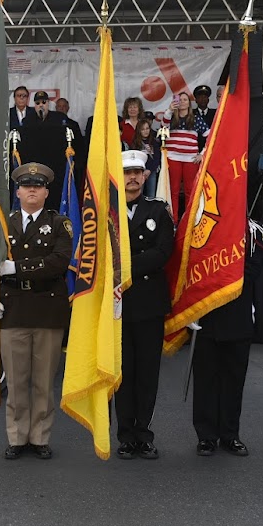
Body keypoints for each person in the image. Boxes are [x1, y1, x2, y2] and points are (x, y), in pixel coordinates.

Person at [0, 163, 72, 460]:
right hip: (13, 310)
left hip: (47, 310)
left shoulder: (60, 223)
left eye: (38, 186)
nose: (32, 190)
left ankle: (39, 436)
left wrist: (19, 268)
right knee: (15, 379)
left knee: (43, 379)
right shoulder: (4, 223)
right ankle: (17, 436)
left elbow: (59, 262)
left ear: (47, 192)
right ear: (18, 191)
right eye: (27, 186)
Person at [114, 150, 175, 459]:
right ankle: (125, 435)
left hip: (149, 303)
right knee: (123, 373)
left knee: (148, 372)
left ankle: (145, 434)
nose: (133, 177)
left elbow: (163, 252)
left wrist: (124, 266)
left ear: (146, 175)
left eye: (138, 172)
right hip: (117, 304)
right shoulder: (105, 212)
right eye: (127, 172)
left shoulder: (158, 211)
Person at [192, 234, 262, 457]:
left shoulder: (250, 232)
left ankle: (231, 435)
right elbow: (190, 263)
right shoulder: (202, 226)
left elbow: (255, 267)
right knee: (205, 380)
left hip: (237, 312)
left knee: (234, 379)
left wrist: (223, 271)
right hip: (207, 312)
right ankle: (206, 437)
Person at [164, 91, 210, 215]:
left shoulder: (196, 118)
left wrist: (203, 154)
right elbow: (163, 127)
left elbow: (211, 136)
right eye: (180, 99)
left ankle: (189, 221)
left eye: (185, 100)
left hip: (191, 159)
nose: (182, 102)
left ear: (189, 103)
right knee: (173, 191)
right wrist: (169, 110)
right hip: (173, 158)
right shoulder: (171, 117)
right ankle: (172, 220)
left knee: (190, 191)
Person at [130, 118, 160, 197]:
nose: (145, 131)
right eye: (143, 129)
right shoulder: (135, 143)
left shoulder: (154, 142)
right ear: (138, 130)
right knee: (138, 193)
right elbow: (134, 158)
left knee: (151, 194)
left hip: (151, 171)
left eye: (147, 128)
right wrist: (142, 170)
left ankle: (151, 209)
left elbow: (157, 158)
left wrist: (149, 170)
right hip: (139, 171)